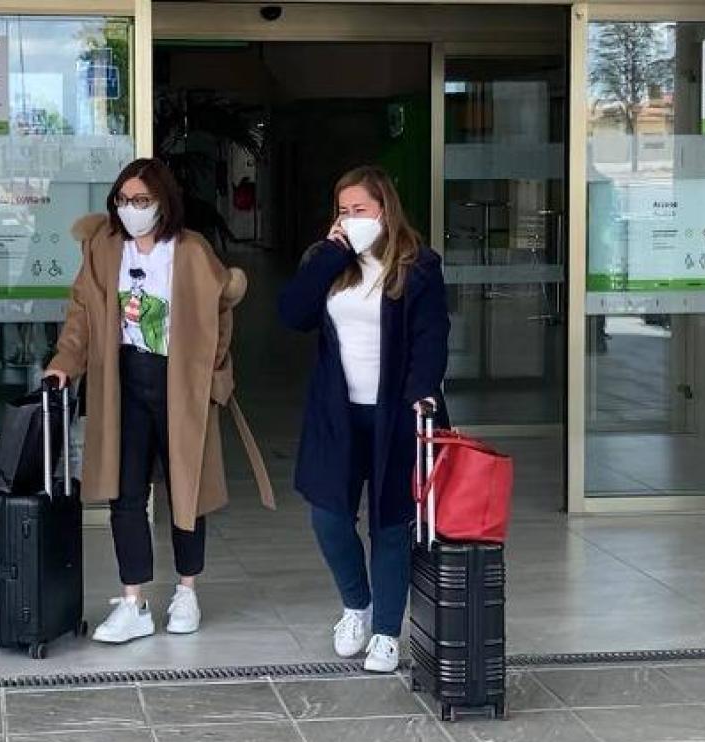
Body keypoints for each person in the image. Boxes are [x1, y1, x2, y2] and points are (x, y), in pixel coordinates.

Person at [44, 158, 274, 645]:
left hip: (180, 383)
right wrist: (65, 362)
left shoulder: (190, 251)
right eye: (123, 200)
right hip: (123, 381)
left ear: (163, 203)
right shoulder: (104, 248)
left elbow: (221, 311)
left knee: (187, 488)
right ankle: (133, 601)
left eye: (141, 200)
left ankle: (187, 591)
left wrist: (212, 368)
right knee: (125, 490)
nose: (131, 209)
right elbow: (81, 313)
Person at [278, 165, 449, 673]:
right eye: (344, 210)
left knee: (391, 525)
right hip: (336, 413)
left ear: (385, 210)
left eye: (361, 209)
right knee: (328, 515)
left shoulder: (418, 266)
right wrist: (333, 253)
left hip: (398, 413)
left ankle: (386, 632)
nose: (352, 218)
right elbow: (293, 314)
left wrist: (423, 393)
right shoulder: (329, 262)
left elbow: (432, 336)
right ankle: (357, 605)